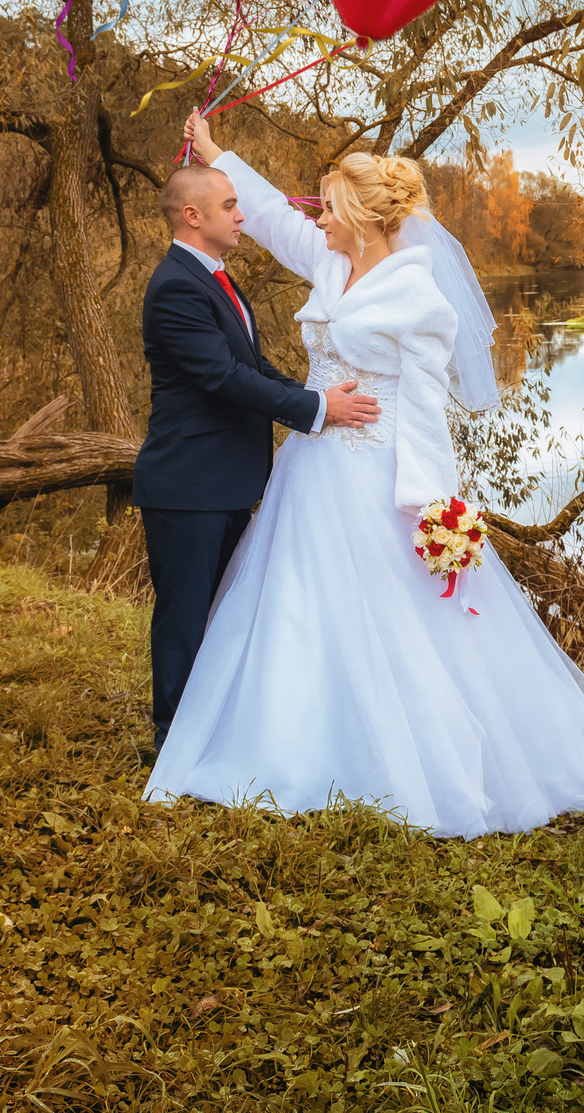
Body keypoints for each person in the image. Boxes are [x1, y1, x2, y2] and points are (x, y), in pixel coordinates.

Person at [143, 111, 584, 837]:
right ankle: (280, 734)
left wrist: (430, 504)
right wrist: (220, 154)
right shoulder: (333, 261)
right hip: (309, 469)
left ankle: (398, 750)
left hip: (376, 473)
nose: (318, 217)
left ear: (362, 218)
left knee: (392, 616)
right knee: (295, 608)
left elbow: (425, 411)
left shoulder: (419, 296)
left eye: (329, 207)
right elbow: (275, 219)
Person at [135, 158, 383, 753]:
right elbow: (222, 379)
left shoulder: (216, 277)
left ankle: (212, 728)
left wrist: (310, 397)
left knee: (221, 615)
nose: (241, 214)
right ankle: (173, 739)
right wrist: (317, 410)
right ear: (193, 216)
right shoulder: (174, 286)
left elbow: (252, 366)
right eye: (228, 206)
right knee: (185, 617)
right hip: (187, 483)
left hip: (227, 479)